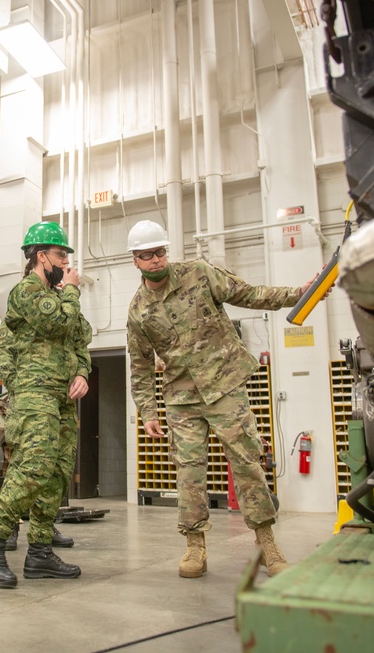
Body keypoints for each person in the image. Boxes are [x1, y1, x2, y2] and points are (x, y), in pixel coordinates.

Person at [125, 220, 314, 579]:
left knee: (246, 462)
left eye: (159, 252)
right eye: (146, 255)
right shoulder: (138, 311)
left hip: (225, 385)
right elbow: (140, 366)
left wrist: (298, 294)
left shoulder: (199, 273)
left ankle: (267, 542)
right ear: (135, 260)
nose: (155, 260)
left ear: (167, 251)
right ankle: (195, 546)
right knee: (190, 473)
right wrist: (148, 411)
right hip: (182, 399)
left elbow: (248, 294)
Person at [0, 221, 91, 588]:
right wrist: (72, 291)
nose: (67, 264)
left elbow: (81, 337)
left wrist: (83, 372)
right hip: (36, 393)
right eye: (61, 256)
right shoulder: (25, 292)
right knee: (35, 465)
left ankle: (39, 552)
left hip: (63, 396)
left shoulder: (57, 296)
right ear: (42, 257)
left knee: (56, 471)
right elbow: (60, 323)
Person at [0, 323, 76, 552]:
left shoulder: (60, 320)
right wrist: (21, 388)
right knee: (22, 467)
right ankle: (10, 527)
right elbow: (1, 354)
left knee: (55, 469)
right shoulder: (21, 316)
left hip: (60, 403)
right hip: (28, 404)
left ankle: (44, 527)